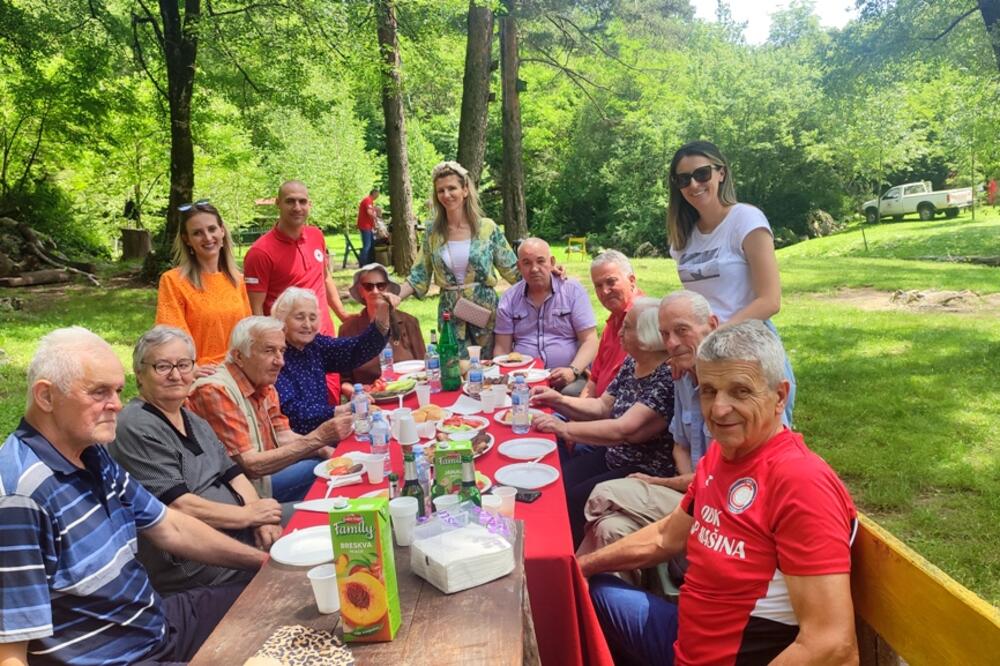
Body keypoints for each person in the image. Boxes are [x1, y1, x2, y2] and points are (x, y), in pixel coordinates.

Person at [581, 321, 858, 666]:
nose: (719, 409)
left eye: (740, 391)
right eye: (709, 391)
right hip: (685, 636)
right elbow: (666, 537)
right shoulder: (722, 455)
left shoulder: (800, 482)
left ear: (779, 397)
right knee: (589, 590)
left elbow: (832, 643)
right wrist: (580, 566)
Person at [0, 327, 266, 666]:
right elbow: (10, 655)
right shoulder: (19, 499)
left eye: (117, 391)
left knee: (272, 600)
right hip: (120, 658)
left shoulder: (92, 454)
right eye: (99, 392)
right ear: (46, 397)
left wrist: (265, 564)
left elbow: (171, 527)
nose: (116, 405)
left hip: (157, 625)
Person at [109, 325, 283, 596]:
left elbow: (233, 473)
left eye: (183, 365)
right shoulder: (134, 425)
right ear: (140, 374)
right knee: (298, 563)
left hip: (240, 531)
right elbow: (179, 505)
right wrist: (248, 516)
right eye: (162, 366)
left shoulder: (192, 419)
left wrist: (261, 519)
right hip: (198, 562)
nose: (175, 375)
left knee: (322, 526)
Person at [576, 290, 718, 571]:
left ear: (712, 326)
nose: (672, 343)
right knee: (610, 528)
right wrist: (685, 482)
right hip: (687, 488)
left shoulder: (725, 385)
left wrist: (662, 483)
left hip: (714, 499)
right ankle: (595, 591)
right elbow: (680, 445)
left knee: (602, 492)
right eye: (665, 334)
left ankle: (573, 574)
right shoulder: (682, 376)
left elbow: (721, 478)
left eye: (681, 331)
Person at [667, 140, 795, 423]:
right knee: (708, 436)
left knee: (759, 436)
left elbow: (770, 300)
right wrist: (681, 347)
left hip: (748, 349)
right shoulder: (682, 236)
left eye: (702, 174)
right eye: (683, 179)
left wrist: (712, 339)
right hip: (704, 353)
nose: (694, 184)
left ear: (721, 173)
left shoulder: (745, 219)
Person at [531, 297, 676, 547]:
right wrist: (558, 400)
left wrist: (564, 428)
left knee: (575, 499)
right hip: (614, 455)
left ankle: (565, 555)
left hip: (643, 469)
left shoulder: (666, 377)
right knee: (556, 482)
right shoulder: (633, 362)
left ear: (648, 337)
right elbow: (603, 406)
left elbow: (624, 430)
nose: (619, 333)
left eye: (627, 327)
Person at [187, 316, 353, 504]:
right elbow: (250, 466)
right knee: (327, 473)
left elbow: (283, 436)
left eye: (282, 351)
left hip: (263, 478)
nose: (280, 361)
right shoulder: (215, 391)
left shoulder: (263, 381)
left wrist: (323, 449)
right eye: (269, 351)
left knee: (333, 464)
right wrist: (319, 438)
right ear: (239, 356)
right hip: (237, 495)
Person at [397, 160, 520, 357]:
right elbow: (419, 275)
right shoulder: (432, 232)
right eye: (441, 191)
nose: (446, 195)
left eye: (452, 188)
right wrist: (395, 296)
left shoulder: (487, 228)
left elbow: (513, 270)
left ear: (465, 190)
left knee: (490, 368)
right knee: (454, 368)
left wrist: (550, 276)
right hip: (451, 317)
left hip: (485, 315)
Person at [243, 180, 351, 402]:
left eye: (302, 201)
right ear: (278, 203)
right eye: (290, 201)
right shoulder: (260, 252)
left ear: (310, 204)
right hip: (292, 347)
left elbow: (325, 277)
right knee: (305, 410)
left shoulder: (316, 236)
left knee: (332, 399)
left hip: (324, 337)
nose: (297, 207)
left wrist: (343, 315)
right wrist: (269, 349)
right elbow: (256, 309)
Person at [272, 286, 395, 434]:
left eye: (312, 318)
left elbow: (356, 349)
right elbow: (291, 410)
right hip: (299, 441)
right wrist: (339, 410)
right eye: (299, 317)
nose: (307, 325)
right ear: (282, 319)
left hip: (328, 432)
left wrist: (383, 312)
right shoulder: (275, 355)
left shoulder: (315, 345)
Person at [155, 200, 251, 373]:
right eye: (197, 233)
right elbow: (170, 338)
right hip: (202, 373)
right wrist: (190, 368)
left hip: (240, 370)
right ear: (187, 240)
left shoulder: (238, 281)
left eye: (212, 229)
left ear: (222, 231)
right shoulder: (173, 281)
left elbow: (248, 334)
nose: (207, 237)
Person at [494, 237, 598, 396]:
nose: (534, 269)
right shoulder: (509, 299)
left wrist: (573, 370)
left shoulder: (572, 291)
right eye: (527, 263)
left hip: (570, 376)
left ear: (552, 262)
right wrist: (506, 378)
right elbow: (502, 348)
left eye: (540, 261)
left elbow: (590, 341)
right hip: (523, 379)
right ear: (519, 267)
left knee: (569, 395)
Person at [339, 264, 426, 395]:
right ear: (361, 291)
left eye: (381, 286)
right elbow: (344, 382)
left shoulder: (409, 322)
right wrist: (360, 394)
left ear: (389, 288)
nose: (375, 291)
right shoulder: (348, 330)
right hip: (369, 398)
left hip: (407, 395)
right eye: (368, 286)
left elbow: (424, 368)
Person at [581, 250, 642, 399]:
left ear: (631, 280)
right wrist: (577, 408)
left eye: (611, 282)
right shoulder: (613, 321)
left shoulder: (646, 320)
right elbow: (593, 381)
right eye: (598, 285)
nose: (605, 291)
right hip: (596, 407)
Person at [357, 188, 380, 265]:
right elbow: (369, 212)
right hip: (365, 226)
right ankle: (363, 263)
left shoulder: (370, 201)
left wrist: (373, 224)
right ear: (374, 193)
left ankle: (370, 262)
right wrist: (376, 218)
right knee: (367, 246)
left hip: (369, 226)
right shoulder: (368, 200)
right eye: (377, 195)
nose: (378, 196)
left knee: (372, 245)